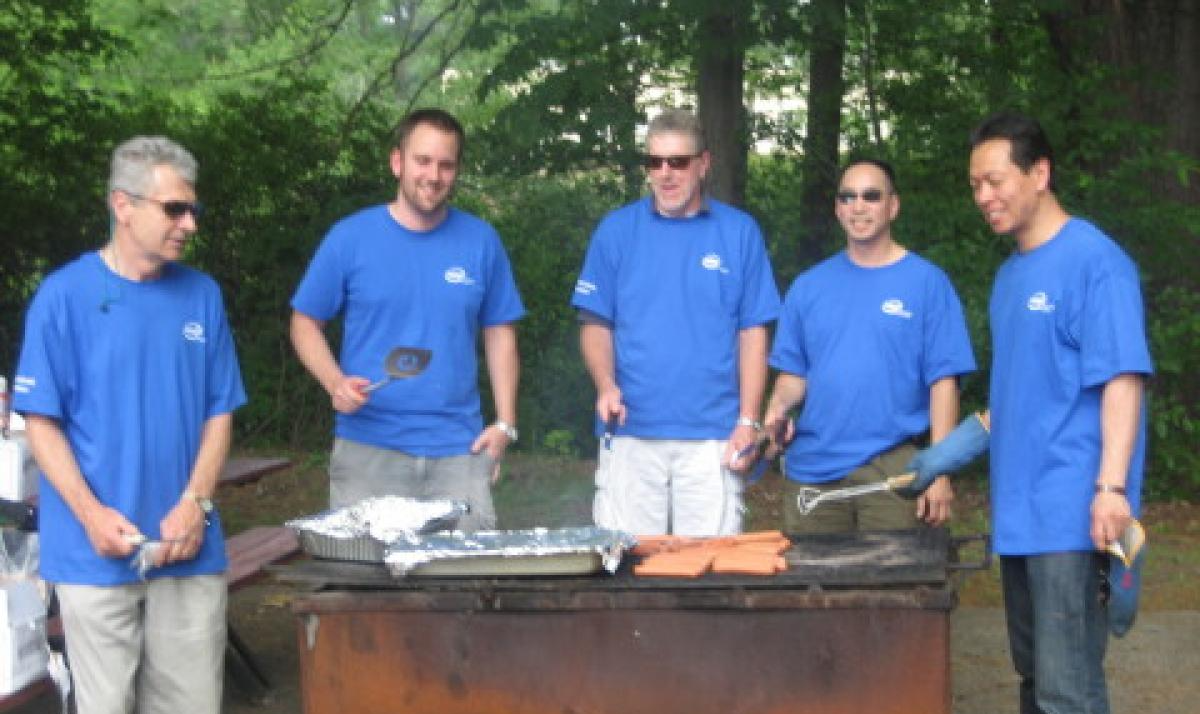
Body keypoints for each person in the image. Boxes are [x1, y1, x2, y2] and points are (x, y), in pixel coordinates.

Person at [13, 136, 246, 714]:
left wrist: (196, 503)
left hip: (189, 546)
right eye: (175, 209)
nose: (189, 224)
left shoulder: (202, 296)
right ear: (123, 204)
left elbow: (218, 412)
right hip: (93, 553)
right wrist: (89, 515)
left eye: (192, 210)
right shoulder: (63, 296)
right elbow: (41, 421)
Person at [959, 111, 1153, 714]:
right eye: (976, 183)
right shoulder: (1012, 276)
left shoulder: (1095, 261)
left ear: (1039, 174)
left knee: (1070, 690)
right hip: (1019, 514)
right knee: (1037, 685)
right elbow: (1020, 396)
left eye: (995, 179)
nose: (985, 195)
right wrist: (960, 445)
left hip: (1073, 513)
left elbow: (1122, 379)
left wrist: (1110, 490)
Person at [291, 109, 524, 531]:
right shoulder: (350, 238)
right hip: (369, 449)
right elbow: (304, 321)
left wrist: (505, 422)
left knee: (463, 589)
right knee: (365, 590)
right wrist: (334, 382)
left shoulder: (481, 241)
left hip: (459, 450)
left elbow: (500, 332)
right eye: (423, 161)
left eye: (446, 164)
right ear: (397, 162)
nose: (433, 175)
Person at [571, 109, 781, 536]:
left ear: (703, 164)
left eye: (678, 162)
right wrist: (605, 384)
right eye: (655, 162)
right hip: (630, 431)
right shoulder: (616, 231)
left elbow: (753, 333)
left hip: (713, 436)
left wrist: (749, 419)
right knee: (626, 564)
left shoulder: (739, 232)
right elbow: (595, 323)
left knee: (711, 574)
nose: (665, 174)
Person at [763, 157, 976, 534]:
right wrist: (777, 408)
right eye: (847, 197)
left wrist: (939, 469)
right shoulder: (809, 287)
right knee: (815, 590)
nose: (858, 206)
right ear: (836, 208)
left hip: (894, 469)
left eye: (871, 196)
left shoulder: (927, 283)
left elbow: (943, 382)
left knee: (896, 590)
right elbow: (794, 375)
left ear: (893, 206)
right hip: (814, 470)